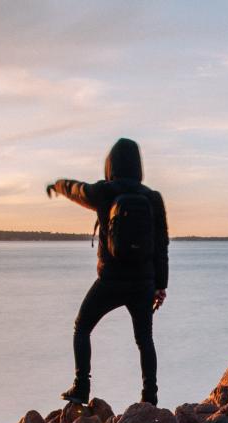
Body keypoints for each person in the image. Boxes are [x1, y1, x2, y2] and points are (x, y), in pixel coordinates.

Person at [47, 138, 169, 406]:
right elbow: (162, 244)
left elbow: (76, 189)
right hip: (142, 283)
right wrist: (161, 285)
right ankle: (150, 397)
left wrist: (57, 185)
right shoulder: (153, 197)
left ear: (110, 164)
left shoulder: (104, 192)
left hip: (111, 280)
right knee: (145, 339)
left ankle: (81, 387)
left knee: (82, 327)